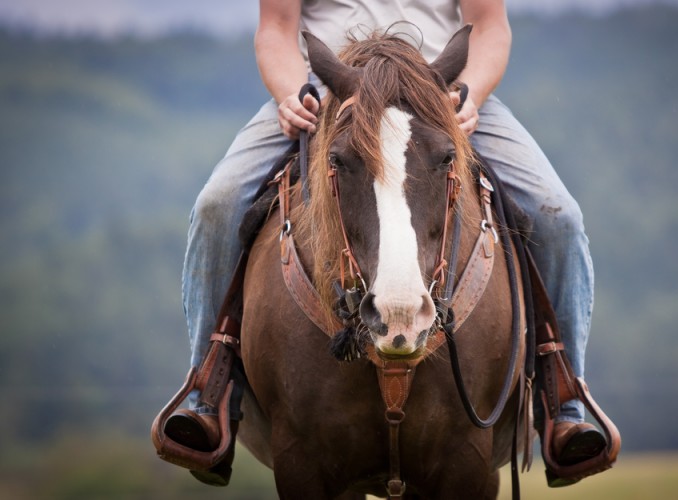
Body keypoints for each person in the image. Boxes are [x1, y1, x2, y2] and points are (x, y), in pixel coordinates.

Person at [163, 0, 606, 488]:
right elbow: (277, 28)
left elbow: (489, 27)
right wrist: (294, 93)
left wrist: (468, 93)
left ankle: (564, 399)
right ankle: (207, 388)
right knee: (217, 206)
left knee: (558, 215)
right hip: (329, 96)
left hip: (438, 96)